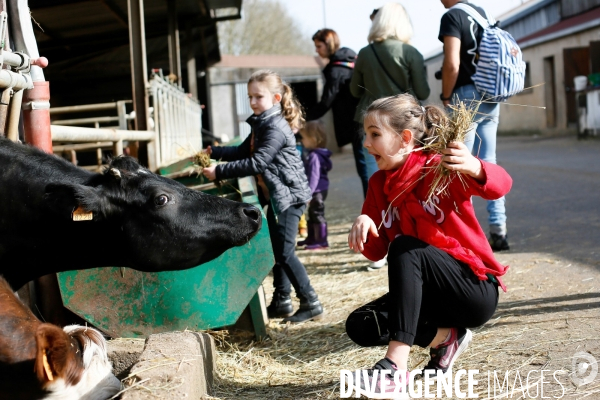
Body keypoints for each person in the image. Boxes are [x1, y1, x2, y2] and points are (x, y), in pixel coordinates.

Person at [345, 94, 511, 396]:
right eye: (366, 135)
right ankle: (446, 339)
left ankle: (395, 368)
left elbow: (502, 185)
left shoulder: (440, 167)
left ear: (405, 138)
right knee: (360, 324)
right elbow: (377, 251)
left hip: (472, 289)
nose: (367, 144)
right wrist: (365, 226)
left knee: (405, 247)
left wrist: (474, 166)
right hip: (430, 299)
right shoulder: (378, 184)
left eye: (375, 135)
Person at [202, 70, 324, 323]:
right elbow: (241, 150)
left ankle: (311, 301)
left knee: (285, 253)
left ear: (276, 98)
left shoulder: (275, 126)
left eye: (259, 96)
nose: (253, 102)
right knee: (277, 249)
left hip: (289, 197)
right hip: (278, 196)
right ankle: (282, 300)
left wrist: (218, 171)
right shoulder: (261, 123)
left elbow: (258, 162)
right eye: (250, 97)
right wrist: (215, 152)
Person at [351, 2, 430, 270]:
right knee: (409, 177)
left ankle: (376, 239)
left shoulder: (365, 53)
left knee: (374, 179)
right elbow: (422, 88)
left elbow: (353, 90)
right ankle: (411, 237)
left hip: (370, 121)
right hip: (402, 124)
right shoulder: (411, 52)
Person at [438, 0, 509, 251]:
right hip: (491, 95)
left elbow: (452, 64)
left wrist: (446, 96)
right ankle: (498, 230)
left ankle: (461, 235)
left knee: (457, 165)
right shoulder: (484, 15)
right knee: (489, 163)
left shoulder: (452, 16)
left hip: (464, 96)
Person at [308, 29, 368, 198]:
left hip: (356, 122)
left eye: (318, 46)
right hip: (366, 117)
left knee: (364, 168)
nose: (316, 50)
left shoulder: (336, 70)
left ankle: (372, 212)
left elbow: (327, 100)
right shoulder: (351, 60)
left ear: (329, 44)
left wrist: (304, 119)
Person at [297, 121, 332, 250]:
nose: (301, 141)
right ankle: (312, 238)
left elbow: (314, 176)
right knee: (312, 213)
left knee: (317, 214)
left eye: (304, 138)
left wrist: (308, 193)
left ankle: (322, 240)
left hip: (316, 190)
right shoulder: (319, 154)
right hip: (319, 190)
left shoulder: (314, 157)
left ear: (313, 139)